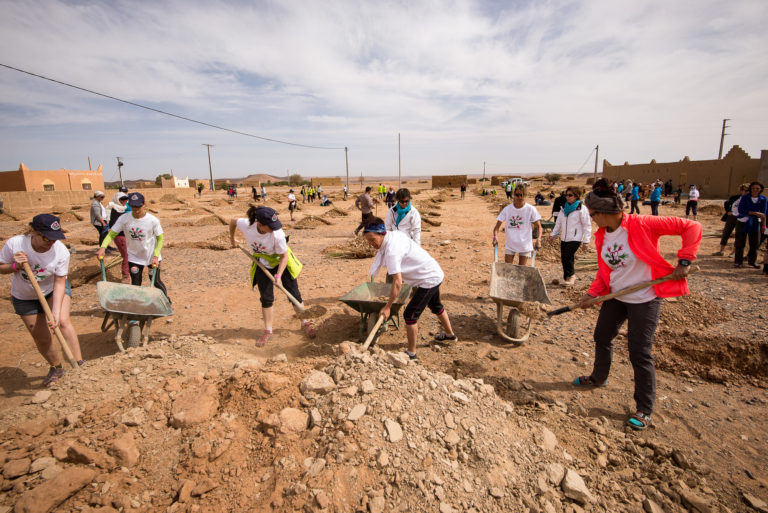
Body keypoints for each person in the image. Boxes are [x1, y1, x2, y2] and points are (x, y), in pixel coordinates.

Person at [573, 179, 701, 431]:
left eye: (592, 214)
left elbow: (692, 227)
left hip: (645, 298)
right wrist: (591, 294)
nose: (591, 219)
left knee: (639, 351)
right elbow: (604, 271)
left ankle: (644, 408)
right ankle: (599, 377)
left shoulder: (642, 224)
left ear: (606, 212)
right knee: (602, 336)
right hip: (618, 296)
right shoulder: (603, 236)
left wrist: (684, 261)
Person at [0, 214, 85, 386]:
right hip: (24, 296)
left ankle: (79, 365)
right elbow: (2, 268)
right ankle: (57, 367)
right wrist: (15, 265)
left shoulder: (60, 251)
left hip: (53, 289)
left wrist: (54, 311)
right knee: (41, 336)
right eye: (47, 237)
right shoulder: (15, 244)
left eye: (55, 238)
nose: (51, 242)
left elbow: (60, 282)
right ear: (34, 232)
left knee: (61, 321)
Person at [363, 218, 456, 360]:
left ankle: (411, 354)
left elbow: (398, 282)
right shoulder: (394, 235)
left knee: (410, 315)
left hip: (428, 279)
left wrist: (388, 307)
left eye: (372, 239)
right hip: (433, 272)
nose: (370, 244)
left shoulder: (391, 251)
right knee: (436, 306)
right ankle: (450, 335)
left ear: (382, 233)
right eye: (368, 241)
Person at [229, 206, 312, 346]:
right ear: (259, 224)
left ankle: (305, 323)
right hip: (262, 262)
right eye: (270, 226)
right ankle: (268, 331)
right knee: (266, 298)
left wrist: (278, 276)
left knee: (294, 294)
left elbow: (284, 256)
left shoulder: (278, 234)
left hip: (281, 261)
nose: (274, 228)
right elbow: (233, 221)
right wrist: (232, 238)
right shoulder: (247, 225)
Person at [97, 193, 170, 301]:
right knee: (136, 283)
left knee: (155, 281)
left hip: (151, 256)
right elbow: (112, 234)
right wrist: (103, 247)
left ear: (144, 204)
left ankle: (166, 301)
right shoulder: (124, 219)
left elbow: (160, 239)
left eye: (138, 206)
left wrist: (155, 256)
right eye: (133, 206)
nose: (135, 209)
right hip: (134, 257)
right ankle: (138, 306)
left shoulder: (153, 221)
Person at [550, 187, 591, 285]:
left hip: (575, 238)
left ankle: (572, 275)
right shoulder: (563, 208)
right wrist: (552, 235)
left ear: (576, 196)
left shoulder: (581, 208)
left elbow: (587, 225)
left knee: (567, 255)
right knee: (564, 257)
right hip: (564, 238)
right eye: (566, 195)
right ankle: (567, 278)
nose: (567, 197)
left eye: (570, 195)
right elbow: (558, 223)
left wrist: (586, 241)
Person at [492, 185, 542, 266]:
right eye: (517, 195)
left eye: (521, 195)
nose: (519, 197)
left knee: (521, 270)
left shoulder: (530, 209)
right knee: (508, 268)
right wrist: (495, 237)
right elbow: (496, 228)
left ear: (525, 195)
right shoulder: (507, 209)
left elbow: (539, 226)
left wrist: (539, 239)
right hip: (510, 244)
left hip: (524, 244)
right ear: (513, 195)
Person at [734, 182, 767, 269]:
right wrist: (754, 213)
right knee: (740, 242)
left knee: (754, 243)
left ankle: (752, 261)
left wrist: (764, 226)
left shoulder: (763, 199)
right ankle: (738, 261)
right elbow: (741, 210)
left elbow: (763, 214)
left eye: (757, 188)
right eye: (753, 188)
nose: (755, 190)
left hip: (755, 223)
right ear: (750, 189)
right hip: (743, 221)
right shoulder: (745, 197)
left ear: (761, 190)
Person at [714, 184, 748, 256]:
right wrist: (728, 211)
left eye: (748, 191)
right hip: (731, 217)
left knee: (738, 235)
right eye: (745, 190)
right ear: (741, 190)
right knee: (726, 232)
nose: (747, 192)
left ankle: (733, 252)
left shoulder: (749, 200)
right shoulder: (735, 197)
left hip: (741, 219)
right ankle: (721, 251)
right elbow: (726, 203)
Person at [107, 192, 131, 283]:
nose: (125, 201)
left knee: (127, 254)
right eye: (122, 199)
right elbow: (114, 226)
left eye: (125, 199)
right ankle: (125, 276)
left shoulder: (122, 209)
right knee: (126, 255)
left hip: (125, 235)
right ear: (118, 200)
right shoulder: (115, 211)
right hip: (120, 236)